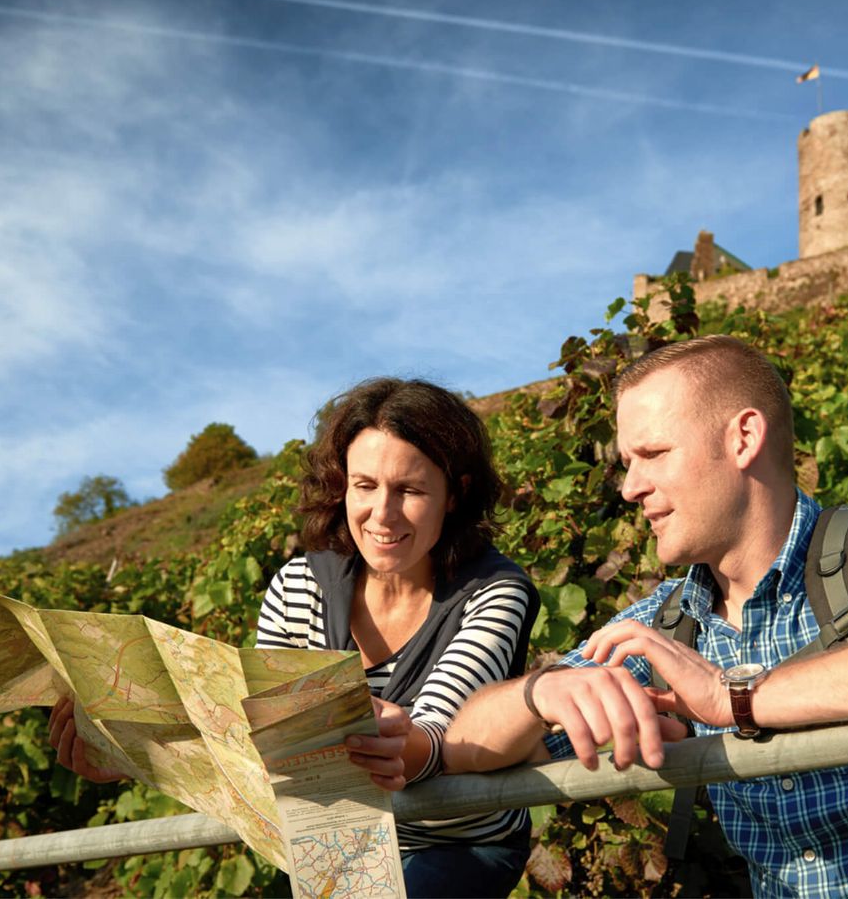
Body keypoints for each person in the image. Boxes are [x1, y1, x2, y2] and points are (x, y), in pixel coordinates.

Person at [443, 336, 848, 898]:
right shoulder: (661, 628)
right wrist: (540, 692)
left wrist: (735, 699)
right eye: (626, 462)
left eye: (652, 453)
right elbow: (462, 745)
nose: (629, 487)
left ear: (743, 439)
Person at [52, 378, 539, 898]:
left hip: (454, 842)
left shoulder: (495, 591)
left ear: (455, 494)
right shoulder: (297, 586)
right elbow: (259, 744)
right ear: (342, 484)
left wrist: (398, 748)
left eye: (411, 490)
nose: (382, 514)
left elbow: (440, 735)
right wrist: (134, 756)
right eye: (365, 485)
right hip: (336, 840)